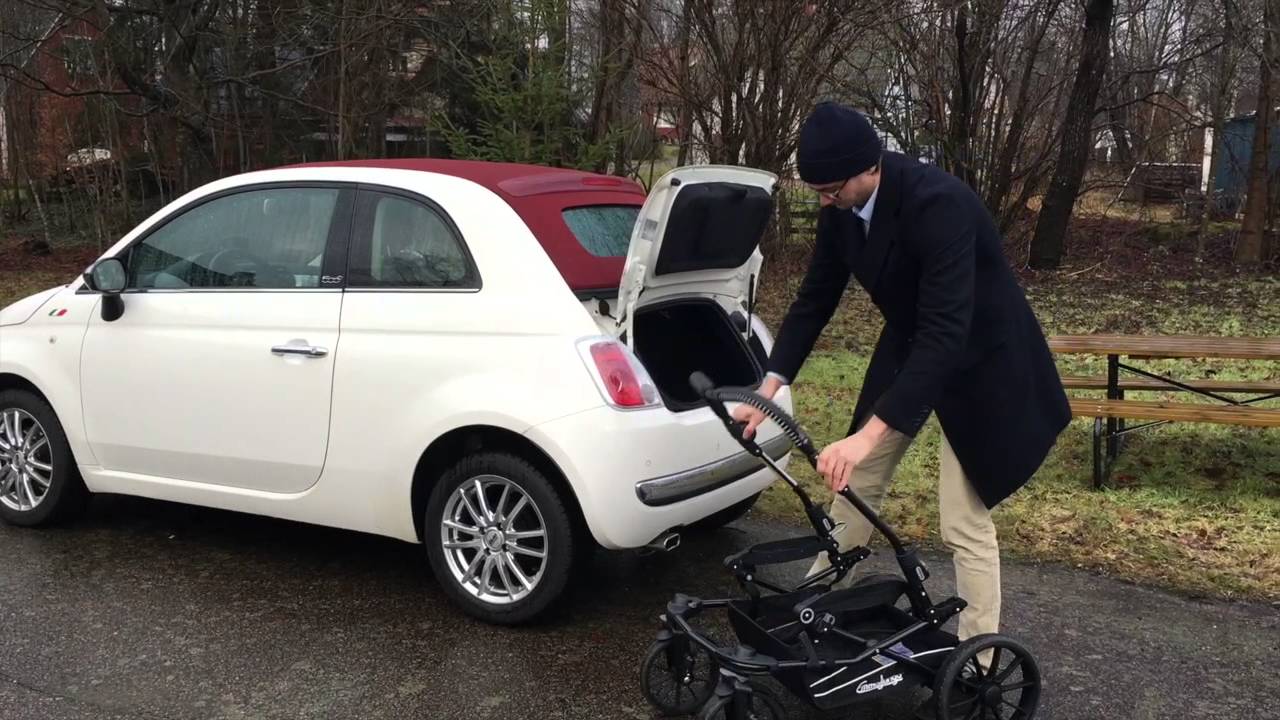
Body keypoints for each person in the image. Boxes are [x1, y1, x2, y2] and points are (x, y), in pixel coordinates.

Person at [734, 102, 1070, 710]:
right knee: (855, 482)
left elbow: (947, 335)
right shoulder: (840, 209)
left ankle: (981, 669)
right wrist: (769, 387)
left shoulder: (940, 204)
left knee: (961, 520)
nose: (825, 202)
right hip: (914, 346)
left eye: (831, 190)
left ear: (869, 169)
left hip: (984, 362)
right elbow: (814, 299)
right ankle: (813, 611)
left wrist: (864, 434)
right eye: (816, 192)